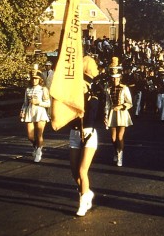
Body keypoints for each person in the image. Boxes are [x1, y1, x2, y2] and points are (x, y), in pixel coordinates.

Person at [68, 55, 101, 217]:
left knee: (82, 170)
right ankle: (87, 192)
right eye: (93, 65)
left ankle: (82, 202)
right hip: (74, 132)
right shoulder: (75, 84)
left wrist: (87, 98)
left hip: (89, 132)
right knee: (74, 171)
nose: (96, 68)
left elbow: (94, 112)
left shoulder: (95, 88)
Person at [20, 65, 51, 163]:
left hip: (40, 112)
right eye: (33, 79)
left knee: (39, 134)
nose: (34, 81)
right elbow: (25, 103)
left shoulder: (43, 89)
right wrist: (22, 111)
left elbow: (48, 103)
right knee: (30, 136)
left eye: (36, 79)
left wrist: (39, 102)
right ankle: (37, 146)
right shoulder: (28, 89)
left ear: (40, 79)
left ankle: (38, 152)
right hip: (30, 112)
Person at [104, 62, 133, 167]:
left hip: (122, 113)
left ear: (120, 78)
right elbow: (107, 103)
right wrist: (106, 115)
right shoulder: (108, 89)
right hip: (112, 113)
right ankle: (116, 151)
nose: (114, 80)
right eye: (113, 78)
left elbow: (130, 103)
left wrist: (121, 106)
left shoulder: (125, 88)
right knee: (113, 138)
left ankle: (120, 156)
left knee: (120, 136)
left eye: (116, 78)